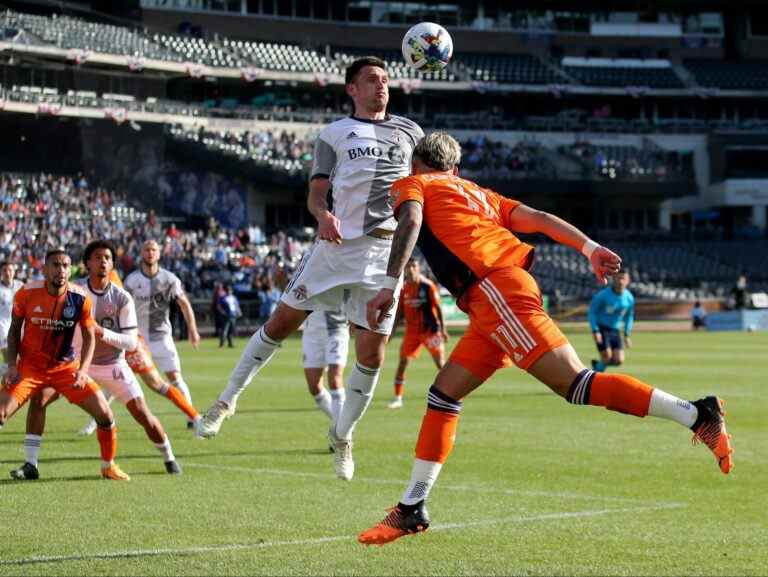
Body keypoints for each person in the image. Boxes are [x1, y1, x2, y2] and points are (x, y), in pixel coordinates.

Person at [358, 132, 733, 545]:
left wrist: (388, 284)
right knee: (444, 394)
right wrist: (587, 247)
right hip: (494, 297)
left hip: (494, 291)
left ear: (416, 164)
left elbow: (409, 221)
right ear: (456, 170)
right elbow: (538, 218)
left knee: (575, 384)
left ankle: (697, 414)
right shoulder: (479, 193)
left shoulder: (415, 184)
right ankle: (412, 508)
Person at [197, 56, 424, 482]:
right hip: (334, 248)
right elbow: (316, 193)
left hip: (382, 253)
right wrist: (322, 215)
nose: (382, 86)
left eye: (386, 80)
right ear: (351, 89)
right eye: (372, 80)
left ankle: (343, 437)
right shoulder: (334, 133)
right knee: (280, 322)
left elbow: (427, 184)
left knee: (372, 354)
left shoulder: (411, 131)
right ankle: (225, 402)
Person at [10, 241, 182, 478]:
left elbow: (131, 342)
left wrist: (102, 332)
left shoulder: (121, 298)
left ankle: (168, 457)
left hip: (113, 364)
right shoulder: (72, 290)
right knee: (39, 399)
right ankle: (31, 464)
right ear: (87, 264)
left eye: (107, 258)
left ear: (112, 264)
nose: (103, 261)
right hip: (77, 364)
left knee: (141, 412)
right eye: (97, 257)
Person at [0, 249, 129, 481]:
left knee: (105, 414)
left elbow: (90, 336)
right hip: (30, 368)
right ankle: (31, 465)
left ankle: (108, 466)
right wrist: (11, 365)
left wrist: (83, 370)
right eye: (56, 265)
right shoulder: (27, 293)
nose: (61, 270)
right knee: (2, 412)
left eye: (66, 266)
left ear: (71, 269)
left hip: (66, 369)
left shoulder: (79, 297)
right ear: (45, 269)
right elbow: (13, 332)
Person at [124, 239, 201, 428]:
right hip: (138, 341)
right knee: (119, 376)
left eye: (153, 250)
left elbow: (184, 304)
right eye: (147, 249)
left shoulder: (169, 279)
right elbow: (122, 307)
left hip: (162, 338)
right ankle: (97, 422)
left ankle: (192, 417)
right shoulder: (132, 280)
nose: (150, 253)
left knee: (175, 378)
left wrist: (193, 330)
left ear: (159, 254)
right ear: (142, 253)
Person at [388, 258, 447, 409]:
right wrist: (391, 333)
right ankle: (397, 398)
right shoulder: (404, 289)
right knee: (402, 363)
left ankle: (452, 394)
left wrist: (443, 329)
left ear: (418, 268)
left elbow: (438, 308)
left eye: (413, 266)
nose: (411, 269)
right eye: (408, 266)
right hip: (412, 333)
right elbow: (399, 314)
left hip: (430, 331)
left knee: (441, 365)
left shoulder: (428, 286)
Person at [302, 310, 350, 428]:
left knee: (334, 379)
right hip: (312, 332)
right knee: (314, 387)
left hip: (337, 328)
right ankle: (342, 424)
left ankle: (341, 434)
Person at [588, 270, 634, 373]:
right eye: (618, 278)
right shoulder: (603, 295)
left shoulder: (629, 298)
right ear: (613, 279)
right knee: (607, 357)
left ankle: (597, 367)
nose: (621, 281)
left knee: (619, 360)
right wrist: (595, 330)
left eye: (623, 279)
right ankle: (594, 378)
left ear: (628, 281)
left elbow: (629, 316)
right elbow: (592, 313)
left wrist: (627, 334)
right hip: (602, 328)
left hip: (615, 330)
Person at [0, 261, 24, 378]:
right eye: (4, 270)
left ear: (14, 272)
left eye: (10, 270)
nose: (7, 273)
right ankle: (8, 383)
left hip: (19, 326)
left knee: (19, 359)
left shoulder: (20, 286)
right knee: (8, 359)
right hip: (2, 327)